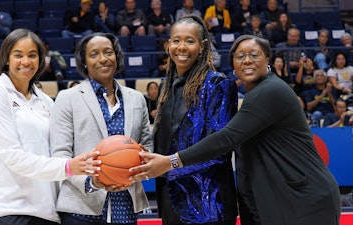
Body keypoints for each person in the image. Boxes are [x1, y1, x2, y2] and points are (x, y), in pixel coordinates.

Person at [130, 35, 341, 225]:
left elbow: (226, 138)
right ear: (233, 66)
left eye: (253, 55)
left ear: (268, 60)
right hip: (282, 195)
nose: (247, 60)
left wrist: (170, 162)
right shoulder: (254, 93)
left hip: (303, 198)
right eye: (240, 56)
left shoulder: (270, 91)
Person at [0, 28, 101, 225]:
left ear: (40, 60)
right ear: (7, 58)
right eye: (18, 55)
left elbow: (60, 151)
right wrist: (68, 167)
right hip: (10, 209)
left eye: (32, 55)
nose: (26, 61)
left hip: (49, 211)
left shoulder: (46, 102)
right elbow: (12, 156)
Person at [49, 32, 152, 225]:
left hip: (126, 207)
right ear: (84, 62)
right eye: (94, 54)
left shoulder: (136, 98)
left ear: (117, 57)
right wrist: (92, 182)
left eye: (108, 52)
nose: (103, 59)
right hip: (81, 209)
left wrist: (143, 162)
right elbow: (60, 156)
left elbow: (147, 146)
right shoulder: (67, 98)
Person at [148, 15, 239, 225]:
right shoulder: (166, 87)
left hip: (207, 204)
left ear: (202, 46)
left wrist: (168, 165)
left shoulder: (218, 85)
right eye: (176, 40)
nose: (181, 47)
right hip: (172, 199)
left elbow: (220, 149)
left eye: (189, 41)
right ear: (168, 44)